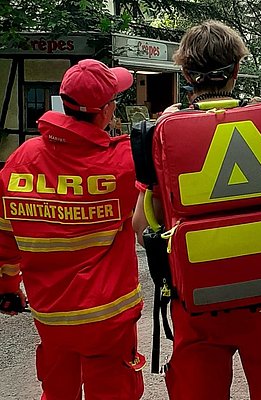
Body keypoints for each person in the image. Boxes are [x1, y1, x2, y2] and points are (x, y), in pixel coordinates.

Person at [133, 20, 261, 400]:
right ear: (237, 69)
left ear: (186, 75)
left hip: (198, 305)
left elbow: (142, 227)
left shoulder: (163, 131)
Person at [0, 59, 145, 399]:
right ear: (105, 111)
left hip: (52, 318)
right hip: (109, 318)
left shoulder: (21, 160)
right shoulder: (123, 161)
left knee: (58, 390)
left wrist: (8, 286)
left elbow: (5, 237)